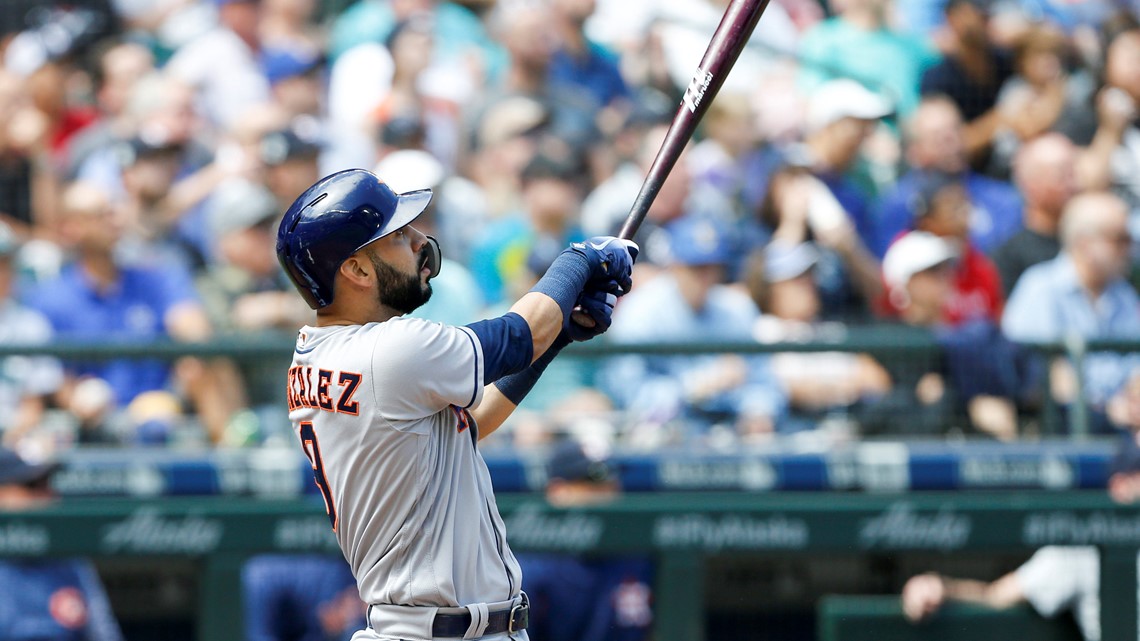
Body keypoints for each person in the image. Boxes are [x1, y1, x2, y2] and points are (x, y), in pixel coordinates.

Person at [275, 168, 637, 640]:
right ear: (357, 269)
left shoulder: (323, 353)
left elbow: (472, 421)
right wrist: (579, 259)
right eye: (398, 237)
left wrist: (559, 333)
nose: (419, 242)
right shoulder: (387, 350)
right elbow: (517, 336)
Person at [603, 215, 786, 443]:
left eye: (711, 267)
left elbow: (766, 383)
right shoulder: (642, 311)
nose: (705, 278)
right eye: (695, 268)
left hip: (732, 432)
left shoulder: (736, 309)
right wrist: (692, 388)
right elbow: (626, 393)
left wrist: (758, 411)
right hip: (666, 436)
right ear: (674, 266)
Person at [1002, 191, 1140, 433]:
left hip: (1123, 424)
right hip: (1061, 429)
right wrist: (1104, 410)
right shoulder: (1041, 287)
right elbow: (1042, 374)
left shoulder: (1123, 294)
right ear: (1085, 243)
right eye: (1119, 240)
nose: (1128, 249)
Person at [515, 439, 653, 641]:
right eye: (594, 483)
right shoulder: (529, 567)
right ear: (558, 491)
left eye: (613, 482)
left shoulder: (636, 555)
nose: (610, 493)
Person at [0, 446, 125, 641]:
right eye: (32, 487)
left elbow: (104, 634)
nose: (48, 497)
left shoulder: (67, 557)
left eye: (47, 486)